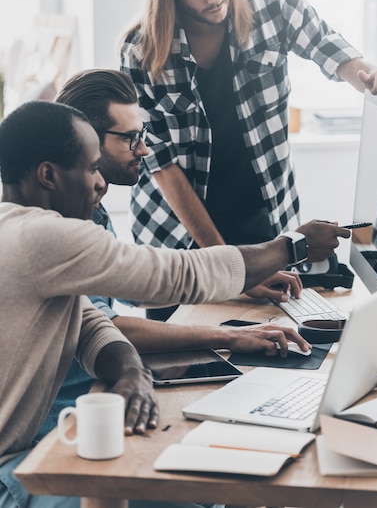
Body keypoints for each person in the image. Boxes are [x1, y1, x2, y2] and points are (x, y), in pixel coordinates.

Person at [0, 100, 349, 508]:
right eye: (92, 168)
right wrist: (292, 246)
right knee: (197, 490)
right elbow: (177, 273)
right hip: (11, 472)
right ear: (48, 175)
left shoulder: (21, 231)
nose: (100, 184)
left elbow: (89, 321)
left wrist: (132, 373)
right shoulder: (41, 237)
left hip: (25, 455)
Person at [119, 0, 377, 315]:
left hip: (265, 224)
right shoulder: (142, 53)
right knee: (187, 364)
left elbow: (327, 46)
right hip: (182, 242)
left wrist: (369, 76)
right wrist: (232, 271)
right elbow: (164, 169)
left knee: (274, 350)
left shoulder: (271, 4)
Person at [34, 67, 311, 440]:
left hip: (99, 395)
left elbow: (131, 281)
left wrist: (238, 286)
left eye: (143, 135)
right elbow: (106, 324)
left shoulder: (91, 209)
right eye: (132, 138)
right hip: (70, 416)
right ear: (87, 138)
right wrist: (225, 336)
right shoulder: (57, 228)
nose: (145, 149)